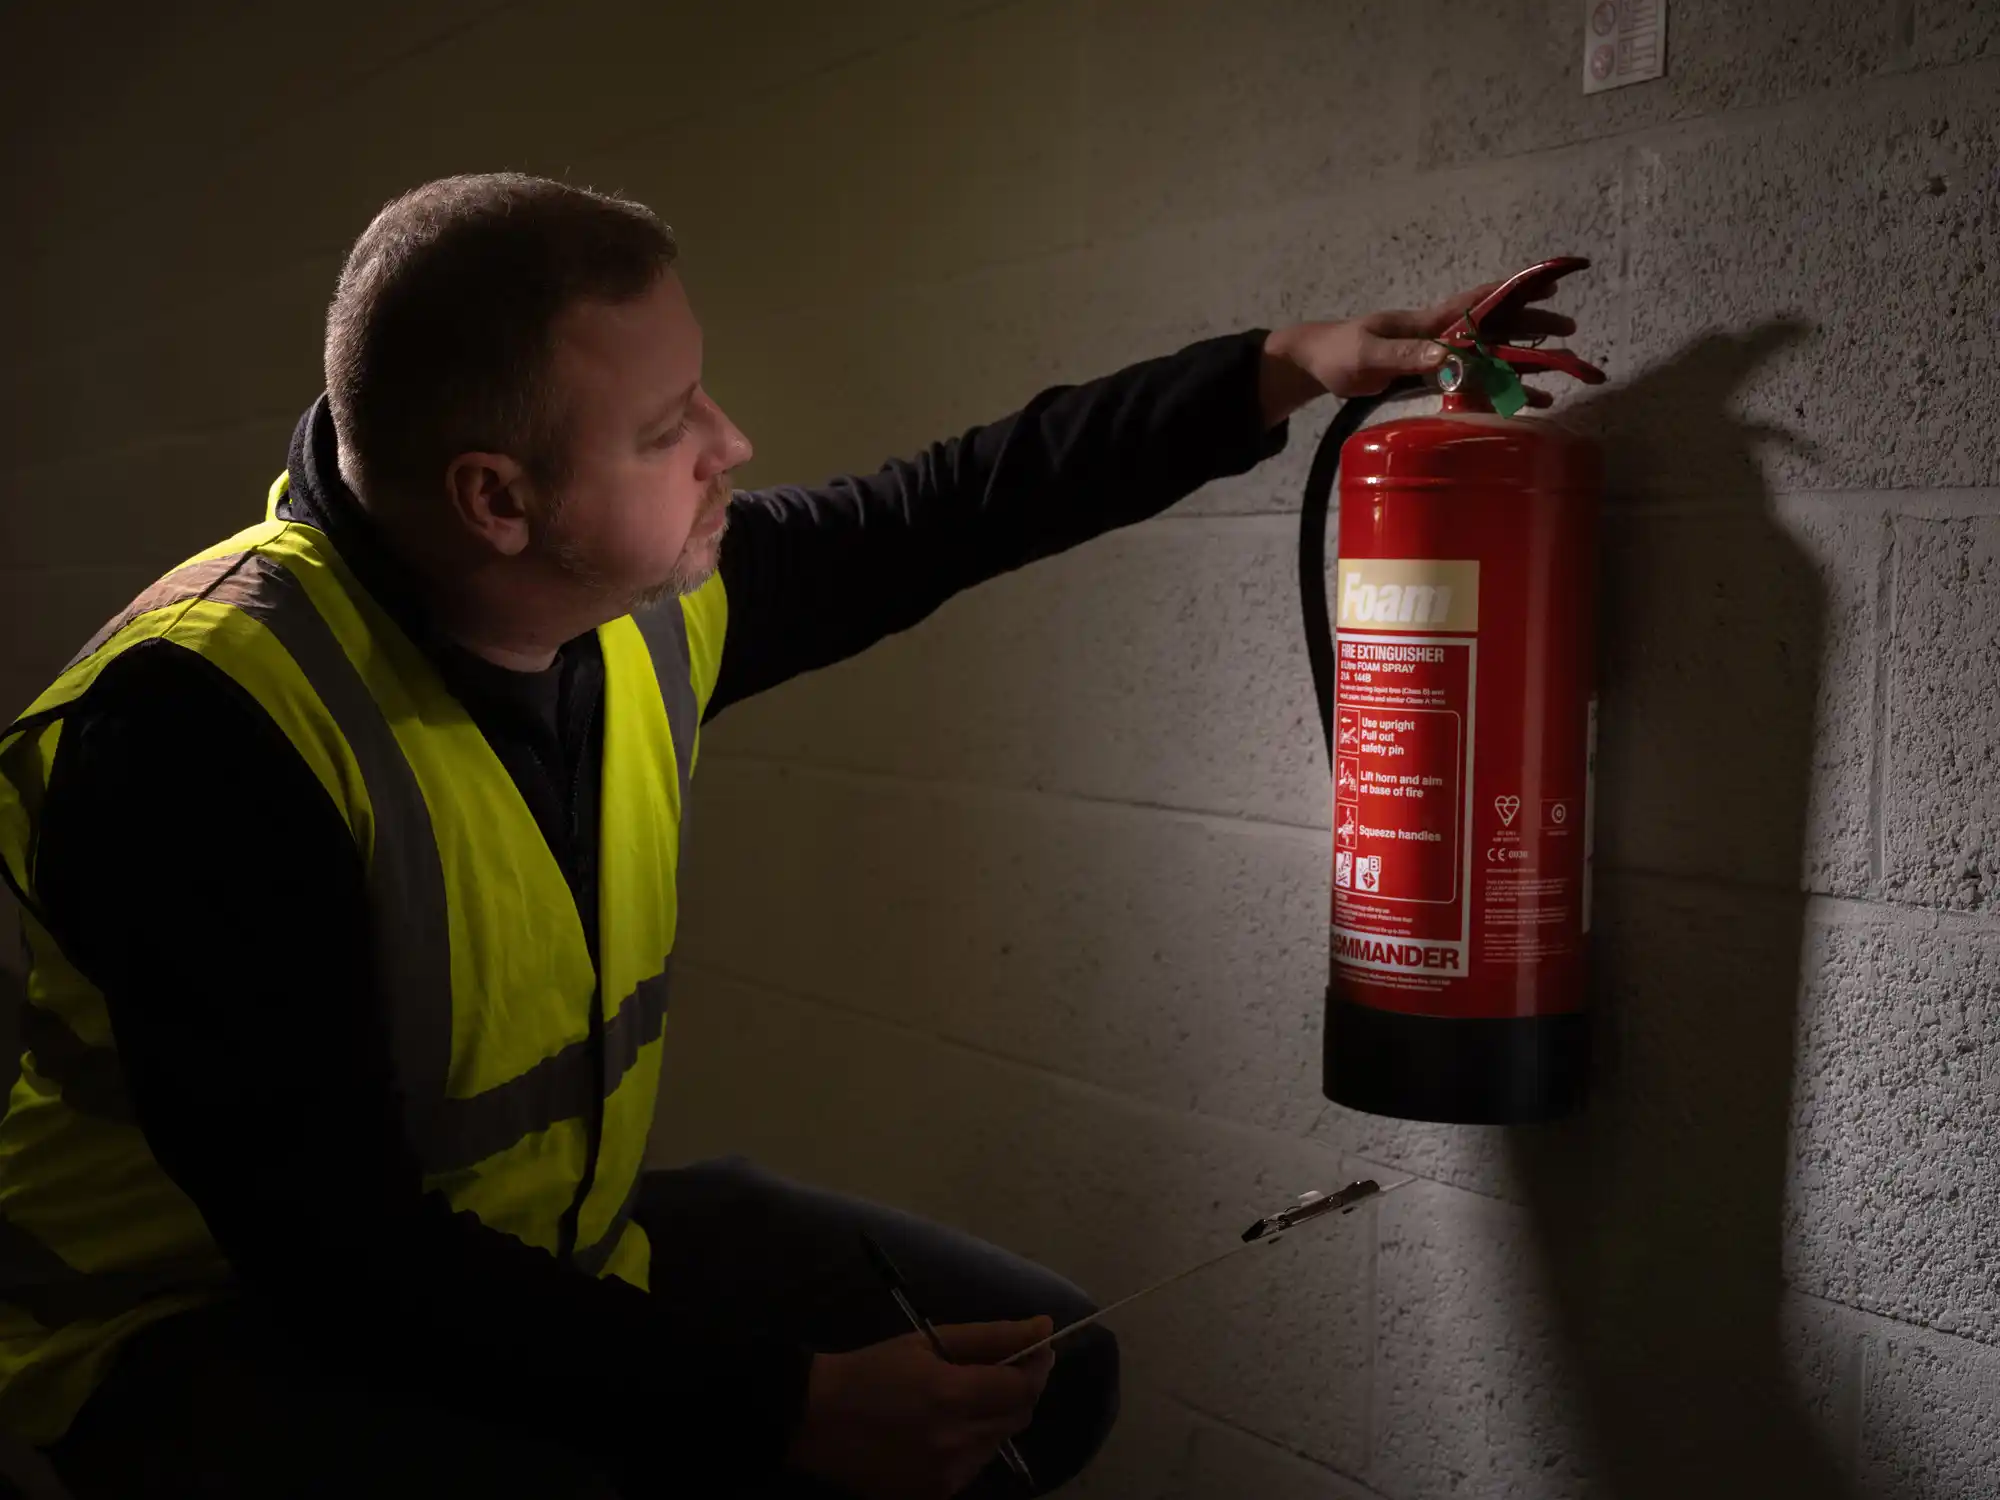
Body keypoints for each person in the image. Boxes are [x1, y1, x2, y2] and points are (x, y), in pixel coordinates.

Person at [0, 173, 1576, 1498]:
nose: (732, 443)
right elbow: (340, 1259)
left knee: (1049, 1375)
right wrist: (787, 1407)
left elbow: (945, 508)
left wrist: (1281, 368)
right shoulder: (203, 732)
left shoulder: (628, 611)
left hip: (530, 1256)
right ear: (497, 500)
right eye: (667, 426)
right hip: (193, 1336)